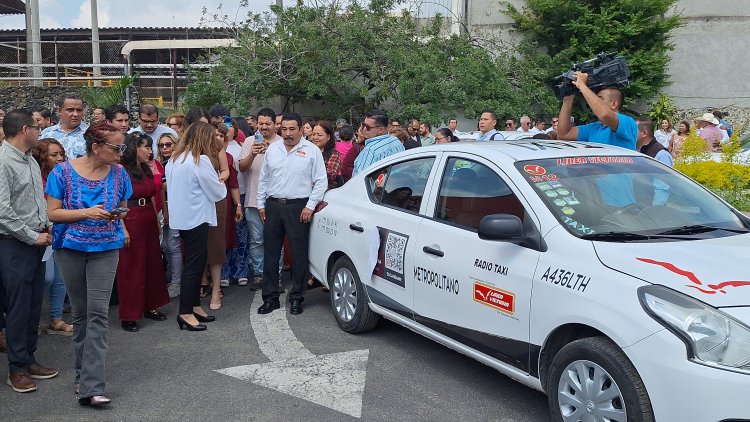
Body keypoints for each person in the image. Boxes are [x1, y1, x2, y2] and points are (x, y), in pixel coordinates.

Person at [46, 122, 133, 405]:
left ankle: (92, 386)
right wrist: (86, 212)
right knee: (81, 314)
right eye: (116, 147)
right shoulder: (62, 172)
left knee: (97, 313)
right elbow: (54, 214)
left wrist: (117, 214)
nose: (122, 152)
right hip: (69, 248)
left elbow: (124, 206)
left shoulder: (120, 174)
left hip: (107, 247)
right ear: (96, 147)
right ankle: (82, 375)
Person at [0, 109, 56, 394]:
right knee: (19, 308)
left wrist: (46, 224)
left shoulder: (31, 161)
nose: (41, 131)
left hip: (35, 241)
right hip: (14, 244)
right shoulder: (3, 161)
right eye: (37, 127)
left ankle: (29, 359)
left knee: (34, 304)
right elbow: (2, 212)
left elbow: (36, 199)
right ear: (25, 129)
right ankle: (16, 369)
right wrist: (33, 236)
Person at [256, 112, 327, 316]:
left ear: (300, 129)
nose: (287, 133)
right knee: (270, 254)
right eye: (284, 129)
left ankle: (297, 298)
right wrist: (261, 205)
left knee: (299, 254)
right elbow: (264, 179)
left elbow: (321, 181)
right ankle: (269, 298)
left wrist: (310, 206)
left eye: (292, 129)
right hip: (273, 206)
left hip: (299, 207)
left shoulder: (312, 150)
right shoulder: (273, 150)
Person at [166, 121, 227, 331]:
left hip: (182, 219)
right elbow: (217, 192)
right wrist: (221, 184)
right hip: (197, 218)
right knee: (194, 267)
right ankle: (185, 312)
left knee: (196, 264)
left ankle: (194, 306)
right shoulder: (199, 160)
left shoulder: (175, 159)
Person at [115, 132, 169, 332]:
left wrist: (157, 218)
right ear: (133, 148)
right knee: (131, 269)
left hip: (147, 217)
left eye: (149, 147)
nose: (149, 150)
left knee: (153, 264)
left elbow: (152, 195)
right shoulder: (121, 170)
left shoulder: (146, 169)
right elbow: (115, 200)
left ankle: (151, 306)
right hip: (130, 218)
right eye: (145, 147)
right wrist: (123, 229)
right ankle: (129, 314)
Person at [32, 138, 73, 336]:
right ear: (42, 156)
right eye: (53, 155)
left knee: (60, 278)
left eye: (61, 154)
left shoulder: (63, 176)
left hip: (62, 231)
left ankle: (56, 320)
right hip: (44, 233)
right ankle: (31, 320)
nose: (59, 158)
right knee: (46, 278)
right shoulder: (36, 178)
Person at [238, 108, 283, 291]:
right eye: (261, 123)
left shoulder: (282, 143)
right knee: (256, 240)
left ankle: (276, 275)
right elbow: (242, 167)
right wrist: (252, 154)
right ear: (256, 123)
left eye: (268, 123)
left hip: (276, 200)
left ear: (275, 124)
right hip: (253, 199)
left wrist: (271, 151)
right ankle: (258, 274)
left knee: (275, 239)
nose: (264, 127)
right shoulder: (249, 141)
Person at [556, 75, 637, 150]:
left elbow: (605, 115)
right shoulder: (594, 128)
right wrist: (568, 99)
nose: (593, 103)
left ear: (614, 104)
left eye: (600, 99)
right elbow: (564, 134)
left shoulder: (628, 122)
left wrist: (582, 85)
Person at [221, 121, 249, 287]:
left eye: (230, 127)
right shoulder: (213, 151)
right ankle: (224, 272)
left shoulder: (241, 147)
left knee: (240, 236)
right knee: (223, 237)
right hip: (222, 197)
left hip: (241, 194)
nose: (226, 131)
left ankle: (241, 271)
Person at [157, 133, 182, 298]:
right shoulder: (157, 164)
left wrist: (171, 184)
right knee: (165, 245)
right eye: (161, 145)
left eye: (169, 144)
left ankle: (177, 282)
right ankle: (172, 279)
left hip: (177, 208)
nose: (165, 148)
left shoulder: (180, 163)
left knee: (173, 245)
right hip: (161, 209)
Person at [353, 110, 405, 176]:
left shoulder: (370, 150)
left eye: (368, 127)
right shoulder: (396, 141)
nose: (364, 129)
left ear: (380, 130)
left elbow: (360, 178)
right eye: (363, 125)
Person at [40, 92, 89, 158]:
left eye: (79, 110)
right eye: (70, 110)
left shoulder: (90, 134)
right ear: (60, 111)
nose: (75, 114)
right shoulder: (46, 134)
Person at [311, 120, 343, 189]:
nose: (315, 137)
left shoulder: (334, 154)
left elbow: (330, 175)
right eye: (313, 134)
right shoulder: (308, 151)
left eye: (319, 135)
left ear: (328, 137)